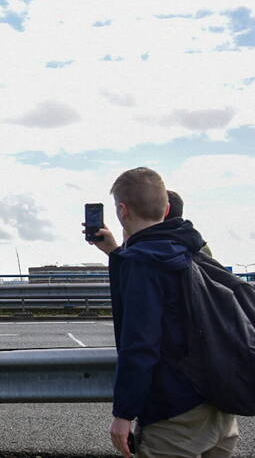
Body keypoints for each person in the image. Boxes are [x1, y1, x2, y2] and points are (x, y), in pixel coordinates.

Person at [86, 167, 239, 458]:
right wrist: (117, 252)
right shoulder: (192, 248)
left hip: (175, 416)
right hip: (219, 407)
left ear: (121, 210)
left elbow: (140, 345)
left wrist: (123, 413)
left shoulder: (141, 264)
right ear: (167, 208)